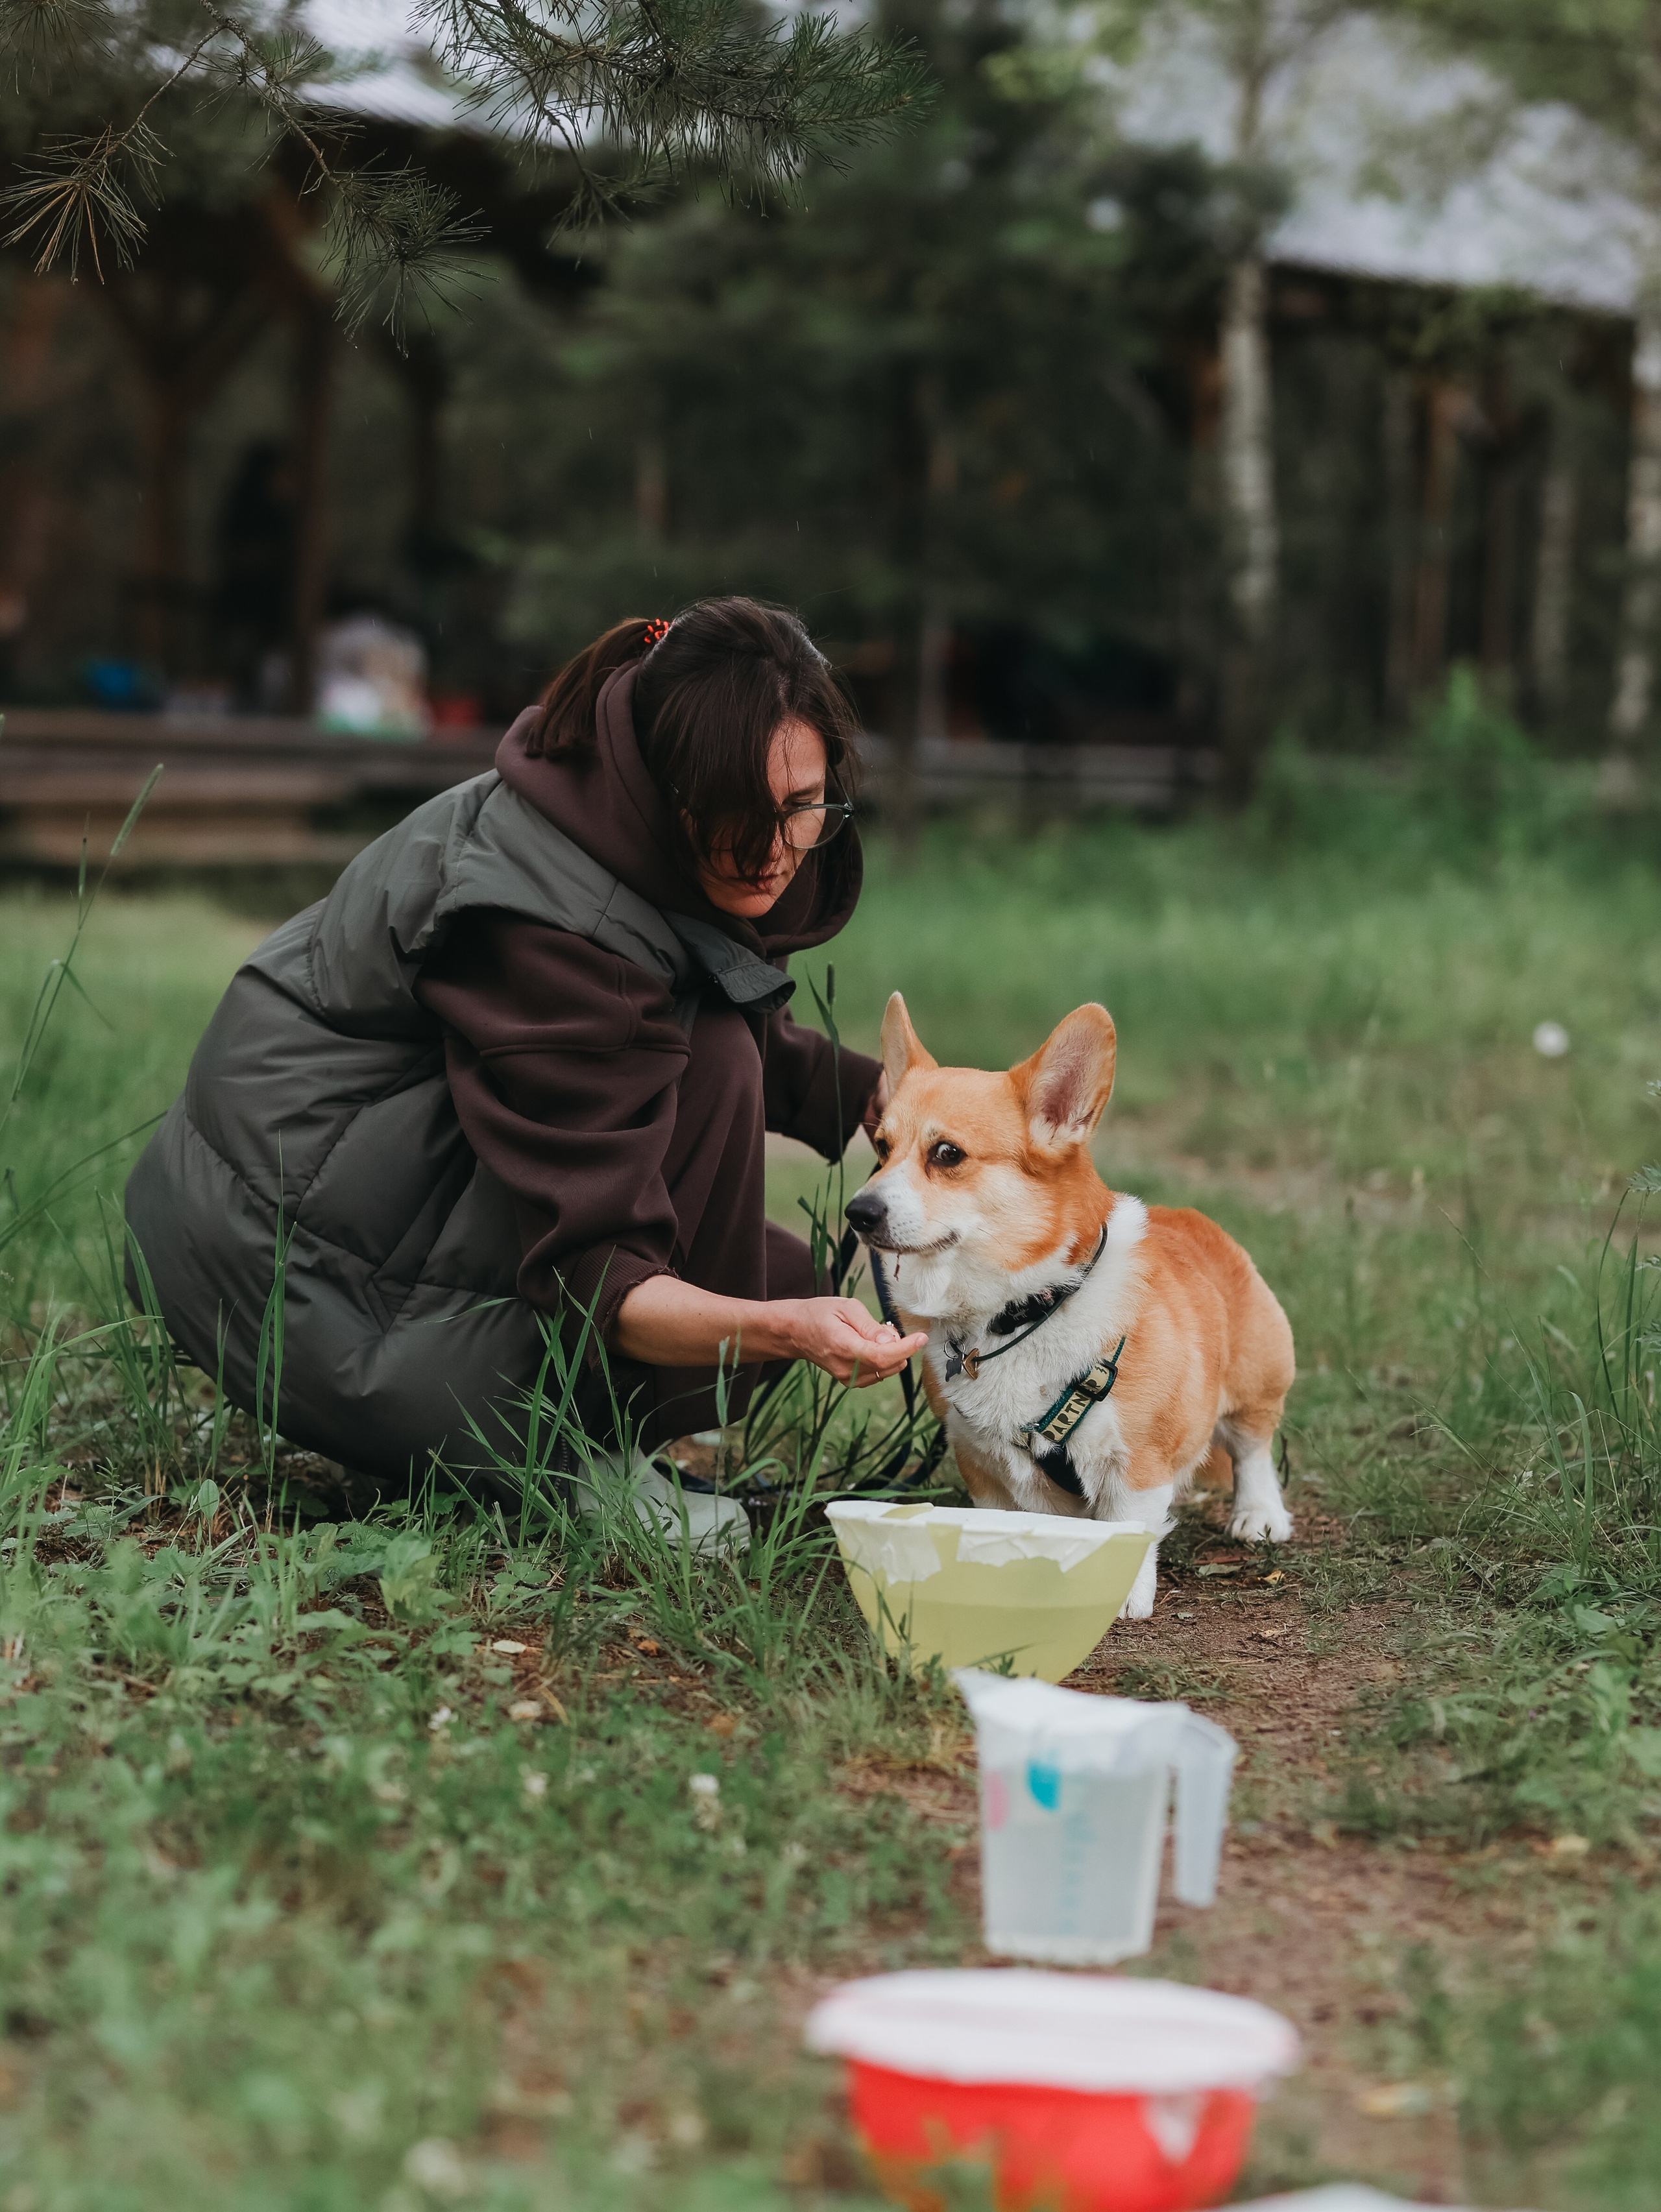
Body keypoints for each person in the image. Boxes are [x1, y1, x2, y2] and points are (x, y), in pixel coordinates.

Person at [125, 598, 926, 1502]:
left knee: (754, 1233)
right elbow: (601, 1275)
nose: (776, 853)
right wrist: (787, 1329)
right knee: (726, 1133)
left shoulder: (616, 798)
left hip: (303, 1191)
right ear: (673, 791)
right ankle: (588, 1469)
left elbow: (692, 996)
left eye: (804, 807)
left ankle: (589, 1433)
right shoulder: (560, 933)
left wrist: (882, 1098)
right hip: (275, 1254)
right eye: (742, 817)